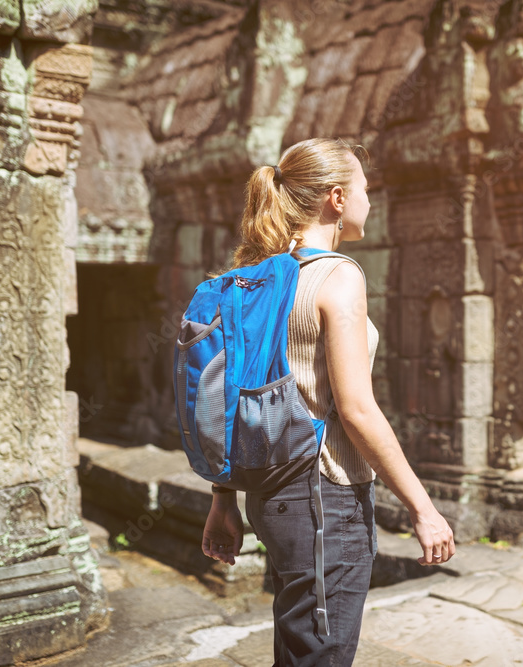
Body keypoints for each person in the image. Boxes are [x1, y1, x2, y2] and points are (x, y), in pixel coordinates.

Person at [198, 137, 455, 666]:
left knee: (298, 648)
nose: (370, 199)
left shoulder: (257, 276)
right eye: (365, 188)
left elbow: (230, 395)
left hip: (268, 495)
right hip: (324, 496)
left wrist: (223, 500)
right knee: (321, 654)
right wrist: (422, 508)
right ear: (337, 198)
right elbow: (357, 410)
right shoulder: (338, 273)